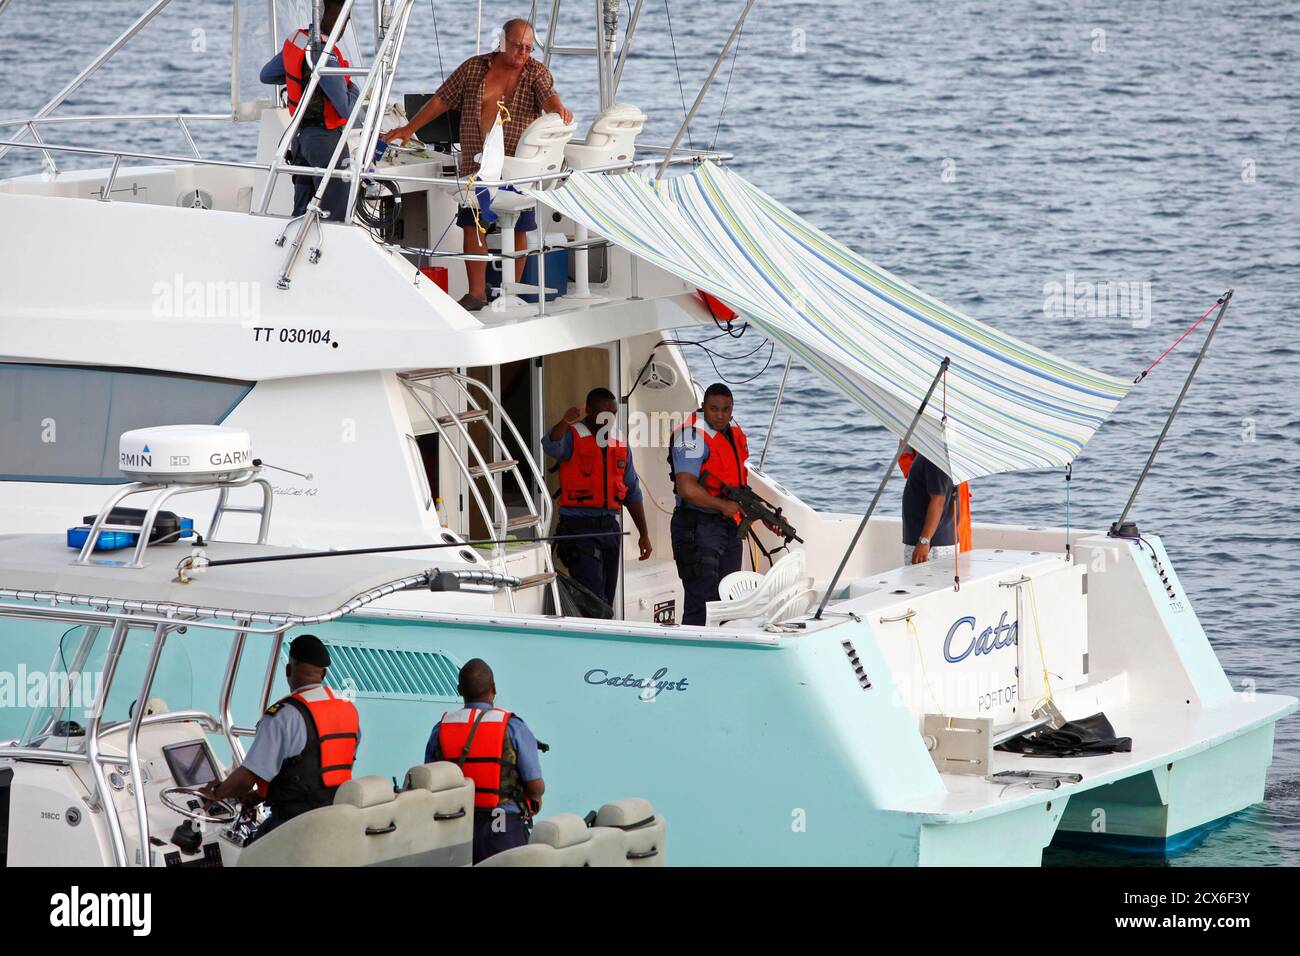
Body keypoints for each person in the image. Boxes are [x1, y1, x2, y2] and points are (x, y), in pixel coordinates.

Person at [383, 18, 573, 312]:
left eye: (527, 48)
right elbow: (441, 100)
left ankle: (514, 293)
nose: (523, 53)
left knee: (519, 226)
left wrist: (558, 108)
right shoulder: (474, 68)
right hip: (477, 164)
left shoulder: (536, 71)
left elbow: (548, 94)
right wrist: (409, 128)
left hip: (514, 169)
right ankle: (477, 294)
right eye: (517, 46)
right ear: (502, 41)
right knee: (473, 225)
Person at [202, 634, 359, 837]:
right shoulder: (348, 710)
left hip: (294, 826)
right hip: (335, 820)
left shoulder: (282, 716)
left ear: (288, 669)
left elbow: (245, 780)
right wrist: (260, 794)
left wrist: (215, 793)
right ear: (324, 674)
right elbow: (326, 765)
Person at [424, 659, 545, 864]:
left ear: (459, 690)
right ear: (494, 688)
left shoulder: (441, 729)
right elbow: (535, 787)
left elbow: (430, 781)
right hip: (504, 832)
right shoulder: (512, 727)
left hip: (456, 830)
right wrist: (535, 797)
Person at [542, 387, 653, 610]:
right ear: (589, 410)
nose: (608, 419)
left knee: (606, 599)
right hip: (580, 531)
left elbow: (632, 491)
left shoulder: (619, 442)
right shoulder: (572, 436)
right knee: (593, 601)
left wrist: (644, 534)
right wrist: (565, 422)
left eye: (613, 414)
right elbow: (550, 445)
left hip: (610, 529)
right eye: (603, 413)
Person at [259, 0, 360, 223]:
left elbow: (266, 75)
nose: (345, 26)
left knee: (301, 210)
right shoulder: (327, 57)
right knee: (335, 213)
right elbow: (345, 108)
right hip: (325, 141)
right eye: (345, 20)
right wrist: (354, 89)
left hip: (300, 141)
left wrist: (301, 81)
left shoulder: (297, 40)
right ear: (337, 20)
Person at [667, 383, 750, 626]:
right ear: (704, 407)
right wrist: (723, 506)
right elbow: (687, 487)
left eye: (726, 409)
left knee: (729, 597)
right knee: (701, 602)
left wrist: (770, 518)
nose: (721, 415)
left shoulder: (732, 433)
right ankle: (690, 658)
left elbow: (738, 485)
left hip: (727, 527)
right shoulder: (691, 436)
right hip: (697, 527)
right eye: (714, 409)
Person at [900, 445, 958, 565]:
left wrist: (924, 541)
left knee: (919, 583)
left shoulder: (934, 457)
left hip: (931, 545)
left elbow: (938, 500)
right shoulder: (936, 455)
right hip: (935, 543)